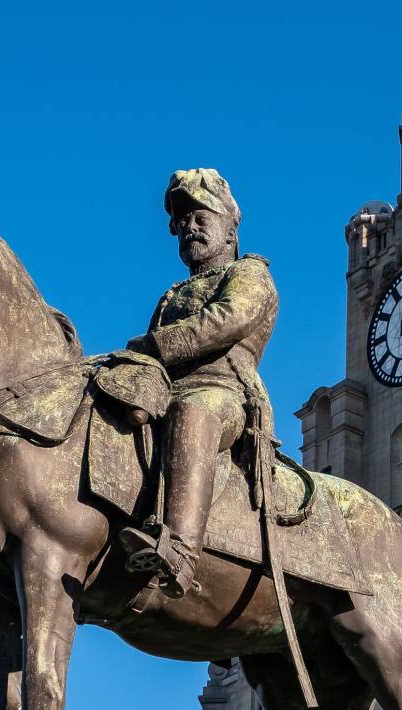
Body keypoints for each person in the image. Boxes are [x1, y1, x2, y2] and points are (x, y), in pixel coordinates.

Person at [119, 169, 280, 597]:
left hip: (224, 393)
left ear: (229, 227)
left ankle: (181, 552)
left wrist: (155, 345)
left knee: (195, 412)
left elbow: (226, 320)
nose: (189, 226)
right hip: (163, 389)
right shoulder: (172, 294)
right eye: (182, 221)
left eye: (200, 217)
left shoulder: (249, 275)